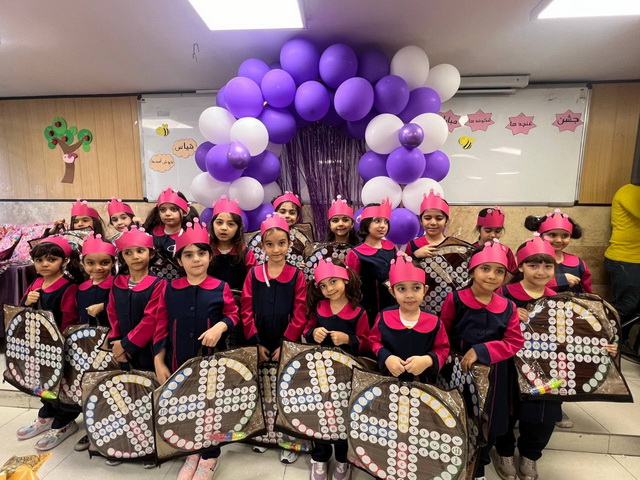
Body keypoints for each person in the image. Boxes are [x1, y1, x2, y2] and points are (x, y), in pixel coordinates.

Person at [154, 219, 239, 480]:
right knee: (186, 406)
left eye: (201, 253)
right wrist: (159, 360)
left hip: (211, 364)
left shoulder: (220, 287)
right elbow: (160, 324)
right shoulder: (169, 289)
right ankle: (192, 450)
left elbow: (233, 314)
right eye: (188, 255)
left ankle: (210, 456)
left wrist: (220, 327)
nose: (195, 259)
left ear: (210, 256)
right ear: (180, 261)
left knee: (212, 409)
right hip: (179, 361)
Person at [440, 240, 525, 480]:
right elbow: (443, 334)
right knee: (460, 416)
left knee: (490, 421)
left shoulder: (508, 307)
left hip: (496, 374)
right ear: (471, 272)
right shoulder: (455, 299)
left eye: (499, 271)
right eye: (485, 269)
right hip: (459, 371)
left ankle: (480, 467)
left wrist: (482, 350)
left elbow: (514, 341)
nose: (491, 276)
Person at [240, 214, 307, 464]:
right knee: (263, 389)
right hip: (259, 340)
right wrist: (255, 341)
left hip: (285, 341)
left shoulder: (297, 275)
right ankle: (265, 435)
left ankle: (290, 439)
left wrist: (285, 344)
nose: (276, 249)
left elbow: (300, 311)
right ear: (262, 246)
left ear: (289, 244)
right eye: (270, 244)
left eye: (281, 243)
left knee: (286, 390)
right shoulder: (253, 274)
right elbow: (246, 308)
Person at [305, 258, 369, 480]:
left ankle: (343, 459)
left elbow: (367, 342)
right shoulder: (318, 308)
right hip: (320, 373)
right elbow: (306, 330)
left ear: (346, 279)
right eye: (323, 285)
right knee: (320, 415)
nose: (329, 289)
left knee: (343, 416)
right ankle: (319, 457)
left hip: (347, 377)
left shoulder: (358, 312)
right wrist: (313, 333)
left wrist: (349, 339)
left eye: (333, 282)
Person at [15, 237, 82, 451]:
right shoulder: (36, 283)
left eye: (51, 259)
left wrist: (59, 343)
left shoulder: (68, 287)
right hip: (37, 346)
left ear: (64, 261)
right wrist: (27, 302)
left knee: (62, 385)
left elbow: (70, 319)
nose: (44, 264)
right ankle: (47, 414)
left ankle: (64, 421)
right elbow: (22, 310)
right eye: (39, 260)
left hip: (59, 347)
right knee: (43, 382)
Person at [370, 253, 449, 382]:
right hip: (388, 382)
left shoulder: (434, 321)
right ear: (392, 292)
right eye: (401, 289)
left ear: (425, 290)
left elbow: (443, 349)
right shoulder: (384, 316)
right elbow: (373, 341)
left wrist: (427, 360)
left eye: (416, 288)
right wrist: (387, 358)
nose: (409, 295)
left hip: (423, 384)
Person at [73, 233, 117, 452]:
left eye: (104, 263)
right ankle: (92, 428)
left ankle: (111, 427)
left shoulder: (116, 286)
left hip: (109, 345)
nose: (98, 268)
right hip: (85, 346)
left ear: (113, 262)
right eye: (91, 263)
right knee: (89, 387)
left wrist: (105, 305)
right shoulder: (81, 288)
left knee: (109, 387)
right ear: (83, 263)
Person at [345, 198, 396, 326]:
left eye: (386, 221)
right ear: (366, 223)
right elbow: (351, 286)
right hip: (368, 308)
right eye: (377, 221)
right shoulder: (355, 253)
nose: (383, 226)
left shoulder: (391, 247)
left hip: (392, 304)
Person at [604, 183, 640, 352]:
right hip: (626, 260)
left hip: (632, 261)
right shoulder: (630, 191)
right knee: (626, 306)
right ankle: (603, 342)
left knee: (635, 309)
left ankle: (621, 342)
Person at [525, 209, 592, 294]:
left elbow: (587, 292)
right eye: (552, 235)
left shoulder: (578, 263)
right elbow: (524, 286)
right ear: (540, 235)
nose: (559, 240)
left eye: (565, 236)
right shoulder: (529, 260)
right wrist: (561, 280)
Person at [207, 195, 257, 291]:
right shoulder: (205, 250)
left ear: (238, 228)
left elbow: (254, 279)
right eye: (219, 223)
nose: (224, 228)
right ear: (212, 224)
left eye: (230, 224)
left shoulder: (245, 252)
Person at [404, 190, 450, 258]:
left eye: (439, 218)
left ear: (446, 221)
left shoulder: (452, 245)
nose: (433, 223)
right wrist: (415, 255)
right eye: (427, 218)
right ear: (421, 221)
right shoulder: (412, 245)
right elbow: (404, 264)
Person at [474, 206, 517, 276]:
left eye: (498, 231)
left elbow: (514, 277)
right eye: (488, 231)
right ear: (479, 229)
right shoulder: (471, 250)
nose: (493, 235)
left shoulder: (506, 252)